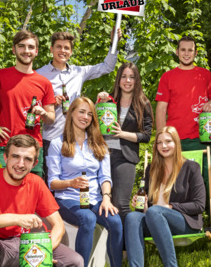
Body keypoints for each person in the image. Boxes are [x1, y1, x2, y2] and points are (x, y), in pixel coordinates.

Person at [0, 134, 84, 267]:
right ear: (5, 157)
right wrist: (16, 218)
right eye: (15, 156)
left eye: (27, 159)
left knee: (74, 261)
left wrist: (44, 252)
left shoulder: (36, 183)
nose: (20, 164)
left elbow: (58, 225)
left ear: (34, 163)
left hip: (23, 247)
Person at [46, 97, 123, 267]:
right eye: (81, 111)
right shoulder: (57, 143)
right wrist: (70, 183)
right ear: (71, 113)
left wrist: (106, 198)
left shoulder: (99, 144)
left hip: (95, 199)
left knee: (115, 221)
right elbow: (52, 182)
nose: (85, 117)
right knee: (87, 218)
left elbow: (105, 177)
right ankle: (81, 264)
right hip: (67, 199)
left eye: (90, 114)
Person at [37, 30, 121, 182]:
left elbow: (107, 66)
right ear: (51, 49)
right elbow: (32, 105)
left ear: (71, 51)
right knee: (50, 182)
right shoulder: (39, 74)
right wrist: (50, 103)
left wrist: (114, 42)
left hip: (74, 137)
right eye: (59, 47)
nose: (63, 51)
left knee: (73, 180)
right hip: (51, 136)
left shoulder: (79, 72)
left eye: (67, 48)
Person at [124, 126, 206, 267]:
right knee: (132, 217)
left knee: (155, 211)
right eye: (159, 142)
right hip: (154, 218)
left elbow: (199, 205)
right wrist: (141, 204)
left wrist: (170, 207)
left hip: (183, 222)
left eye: (168, 141)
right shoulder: (152, 169)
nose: (164, 146)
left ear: (176, 143)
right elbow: (149, 208)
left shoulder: (191, 167)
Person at [0, 30, 55, 177]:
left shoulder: (44, 83)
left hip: (33, 148)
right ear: (14, 49)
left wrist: (43, 113)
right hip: (5, 146)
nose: (26, 51)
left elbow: (51, 117)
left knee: (30, 195)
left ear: (36, 51)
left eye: (30, 47)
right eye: (21, 46)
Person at [155, 35, 211, 195]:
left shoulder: (204, 74)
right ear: (177, 52)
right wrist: (161, 139)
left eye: (190, 50)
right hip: (175, 140)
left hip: (202, 138)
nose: (186, 53)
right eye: (183, 50)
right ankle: (175, 216)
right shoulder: (168, 77)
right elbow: (161, 109)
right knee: (175, 183)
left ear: (195, 53)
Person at [96, 62, 153, 223]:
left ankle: (128, 244)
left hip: (126, 158)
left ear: (137, 80)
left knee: (120, 204)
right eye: (124, 76)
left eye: (132, 77)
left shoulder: (143, 104)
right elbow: (93, 123)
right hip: (103, 155)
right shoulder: (109, 100)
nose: (127, 81)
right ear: (119, 79)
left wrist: (122, 134)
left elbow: (146, 136)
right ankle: (109, 246)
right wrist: (98, 102)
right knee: (102, 202)